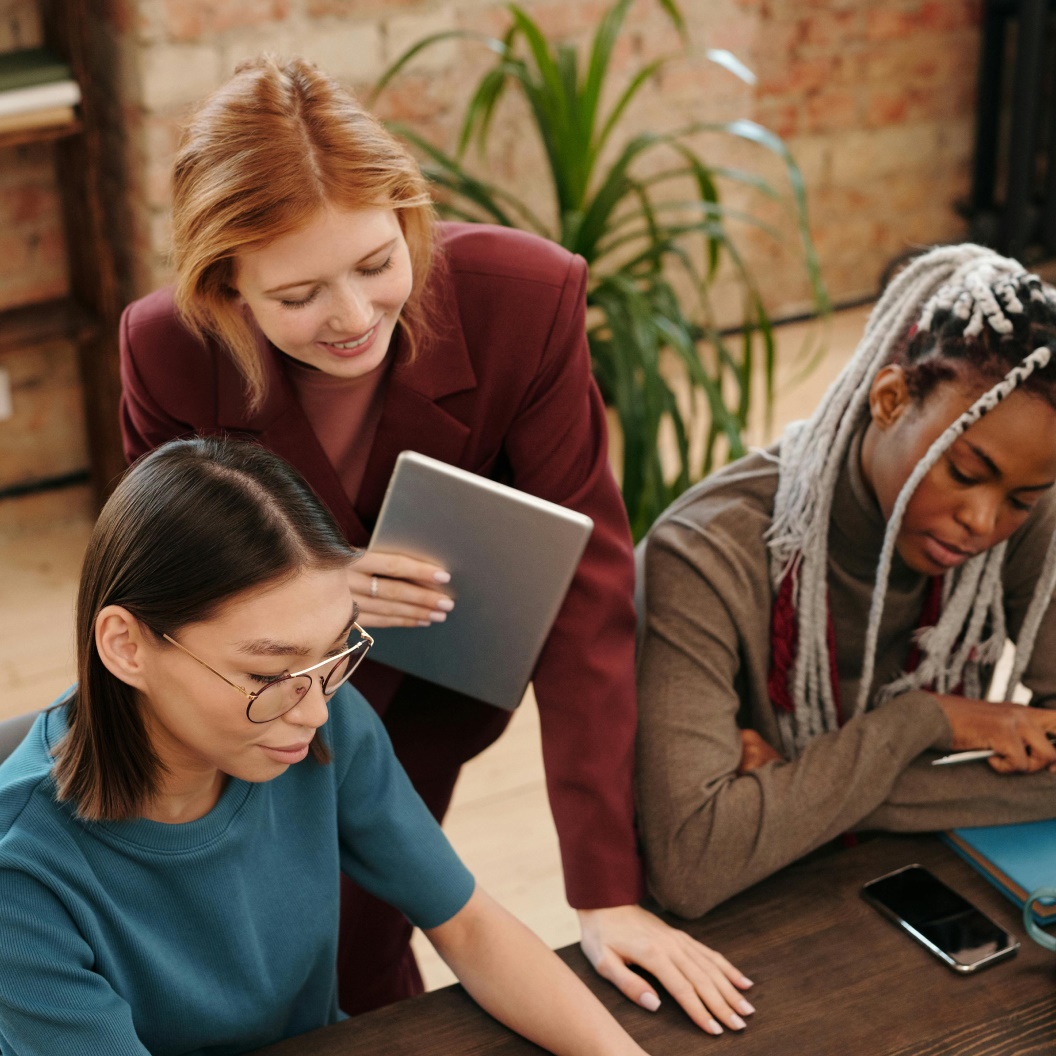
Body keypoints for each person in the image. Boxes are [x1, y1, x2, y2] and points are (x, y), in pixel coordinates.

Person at [117, 56, 753, 1034]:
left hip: (445, 677)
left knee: (369, 924)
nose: (355, 316)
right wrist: (319, 583)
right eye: (297, 296)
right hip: (258, 688)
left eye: (377, 264)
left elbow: (590, 597)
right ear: (225, 287)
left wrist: (604, 890)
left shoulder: (524, 300)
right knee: (263, 937)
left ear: (408, 216)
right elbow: (162, 581)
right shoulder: (165, 348)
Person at [0, 436, 660, 1056]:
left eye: (333, 654)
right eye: (267, 675)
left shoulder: (323, 718)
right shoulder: (20, 879)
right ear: (125, 646)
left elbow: (471, 927)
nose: (315, 709)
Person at [636, 243, 1056, 919]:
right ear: (890, 400)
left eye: (1022, 500)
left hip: (940, 879)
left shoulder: (1027, 508)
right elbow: (694, 859)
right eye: (965, 474)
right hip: (750, 931)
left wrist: (792, 788)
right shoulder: (703, 552)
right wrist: (928, 723)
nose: (984, 520)